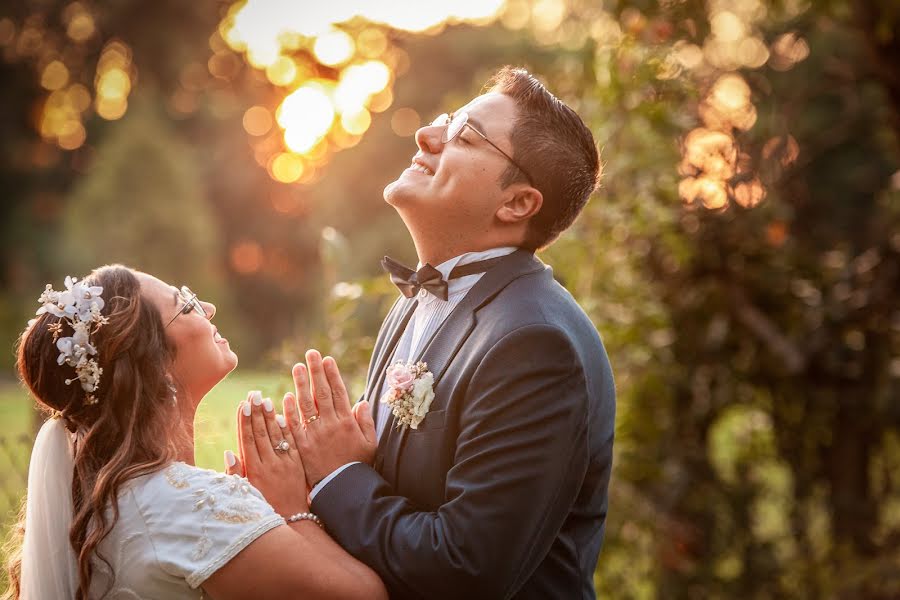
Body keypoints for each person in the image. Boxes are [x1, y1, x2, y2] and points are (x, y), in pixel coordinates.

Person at [240, 66, 616, 599]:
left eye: (464, 136)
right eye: (447, 121)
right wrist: (301, 473)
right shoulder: (416, 303)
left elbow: (464, 568)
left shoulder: (535, 342)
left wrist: (335, 478)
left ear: (516, 203)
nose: (427, 134)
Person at [5, 265, 386, 600]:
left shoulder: (99, 501)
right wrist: (291, 510)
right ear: (154, 365)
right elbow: (366, 596)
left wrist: (260, 518)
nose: (208, 309)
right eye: (186, 305)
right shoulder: (194, 506)